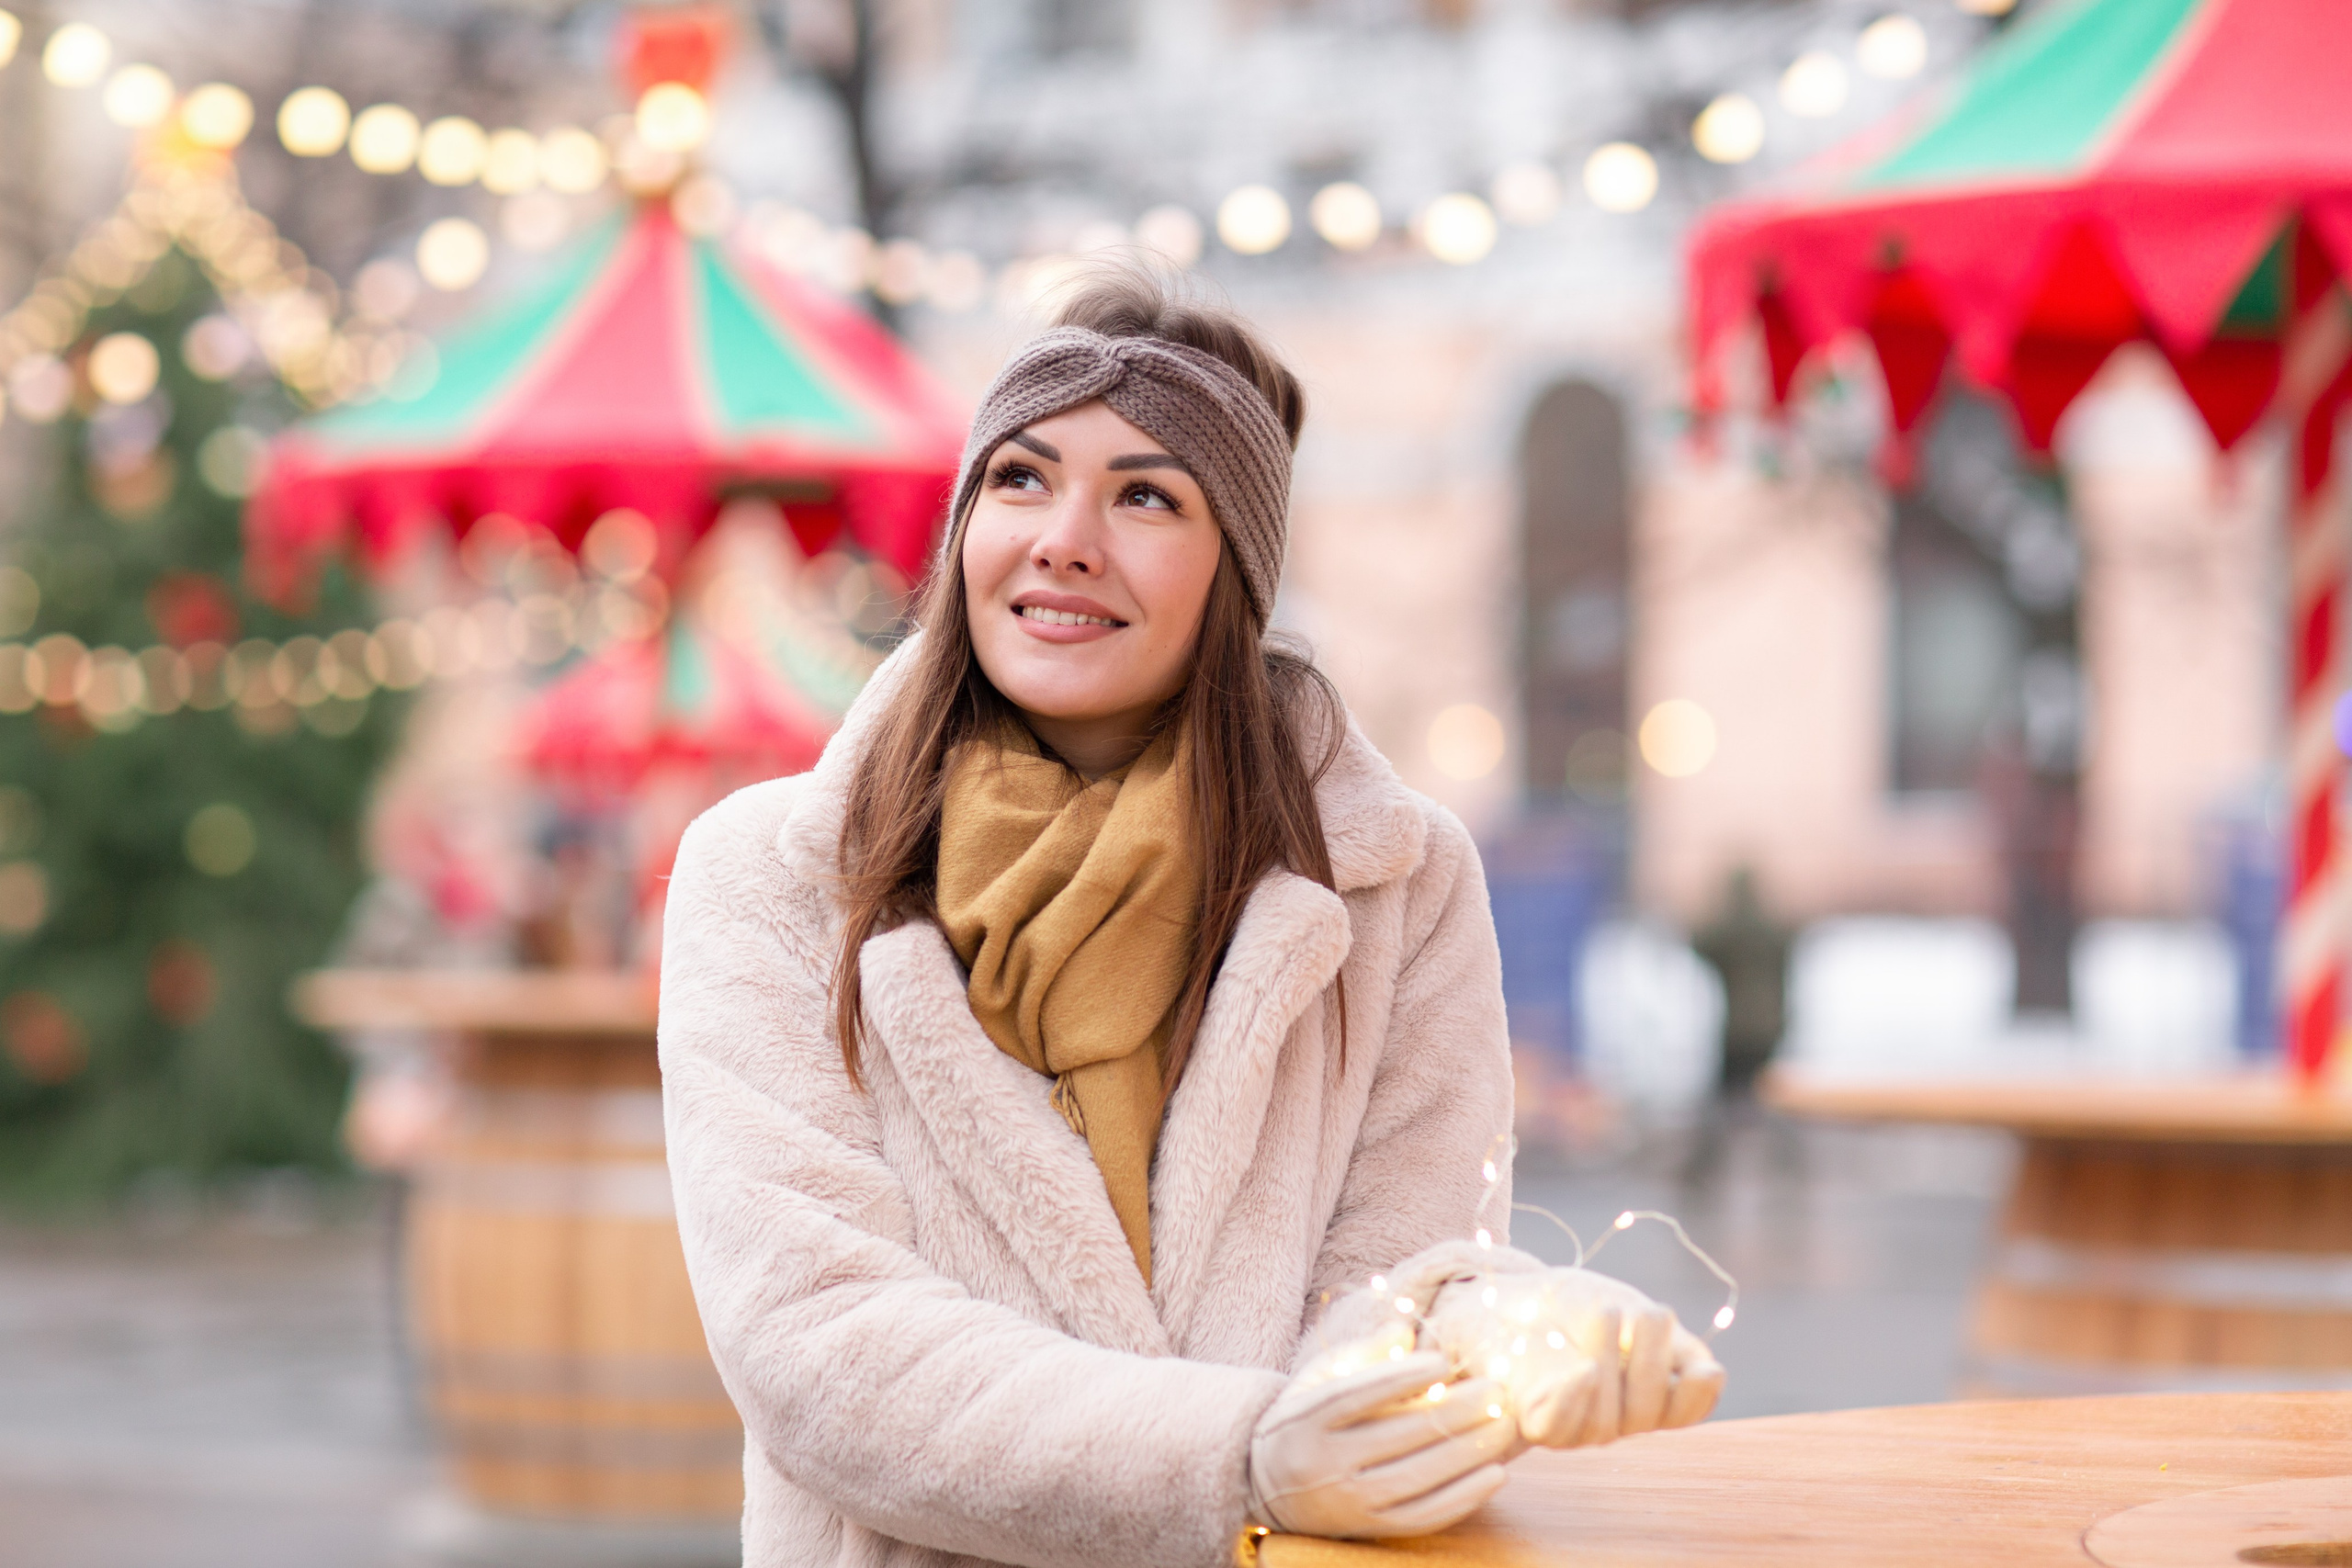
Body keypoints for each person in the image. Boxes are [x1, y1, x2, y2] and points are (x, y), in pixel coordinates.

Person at [658, 263, 1724, 1568]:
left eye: (1147, 496)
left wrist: (1503, 1336)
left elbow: (1391, 1279)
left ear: (1239, 573)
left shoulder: (1395, 882)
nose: (1063, 538)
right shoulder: (774, 872)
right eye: (1020, 478)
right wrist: (1230, 1462)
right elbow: (822, 1342)